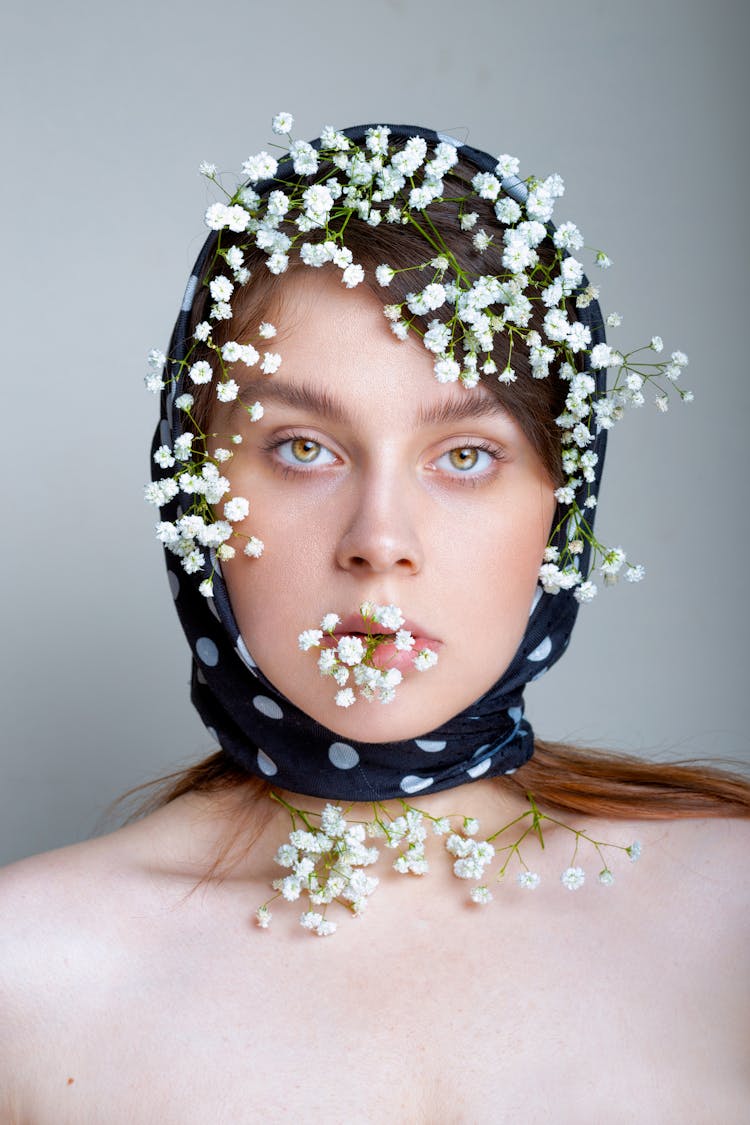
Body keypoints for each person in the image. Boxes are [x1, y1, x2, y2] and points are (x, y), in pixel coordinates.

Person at [1, 116, 748, 1122]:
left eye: (467, 455)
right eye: (304, 448)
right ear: (195, 488)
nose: (379, 539)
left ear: (561, 509)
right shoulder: (28, 973)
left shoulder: (730, 916)